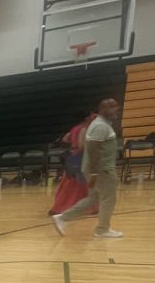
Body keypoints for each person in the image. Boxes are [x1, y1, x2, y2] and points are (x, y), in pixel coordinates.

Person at [53, 98, 123, 238]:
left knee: (93, 198)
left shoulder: (101, 124)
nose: (116, 110)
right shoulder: (100, 126)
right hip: (102, 169)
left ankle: (62, 218)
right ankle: (102, 230)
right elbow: (93, 150)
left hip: (97, 169)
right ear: (103, 110)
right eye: (112, 108)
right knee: (108, 199)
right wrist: (95, 173)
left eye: (116, 107)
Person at [49, 114, 99, 217]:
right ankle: (83, 207)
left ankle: (60, 207)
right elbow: (82, 145)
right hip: (80, 158)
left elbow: (65, 139)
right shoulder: (84, 129)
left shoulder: (74, 129)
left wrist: (73, 143)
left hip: (73, 156)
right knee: (82, 185)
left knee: (68, 184)